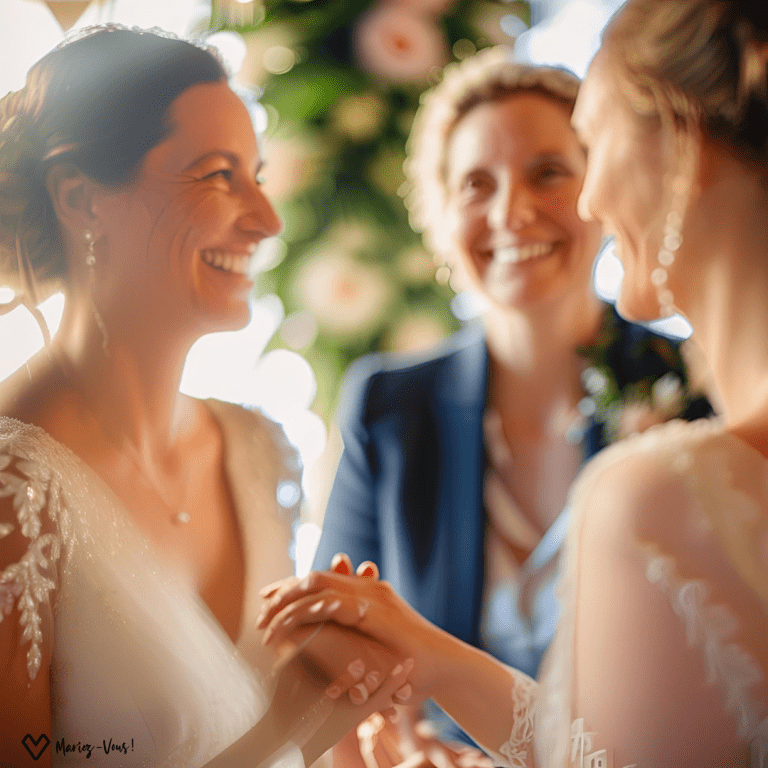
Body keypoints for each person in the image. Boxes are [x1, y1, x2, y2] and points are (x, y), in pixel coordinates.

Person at [260, 1, 768, 765]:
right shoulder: (389, 405)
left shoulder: (669, 448)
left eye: (562, 167)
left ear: (677, 152)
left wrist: (434, 663)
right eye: (475, 184)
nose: (515, 211)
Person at [0, 26, 414, 768]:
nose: (267, 220)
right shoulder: (11, 494)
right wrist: (289, 723)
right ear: (82, 200)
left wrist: (358, 716)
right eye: (218, 175)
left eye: (256, 172)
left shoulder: (258, 451)